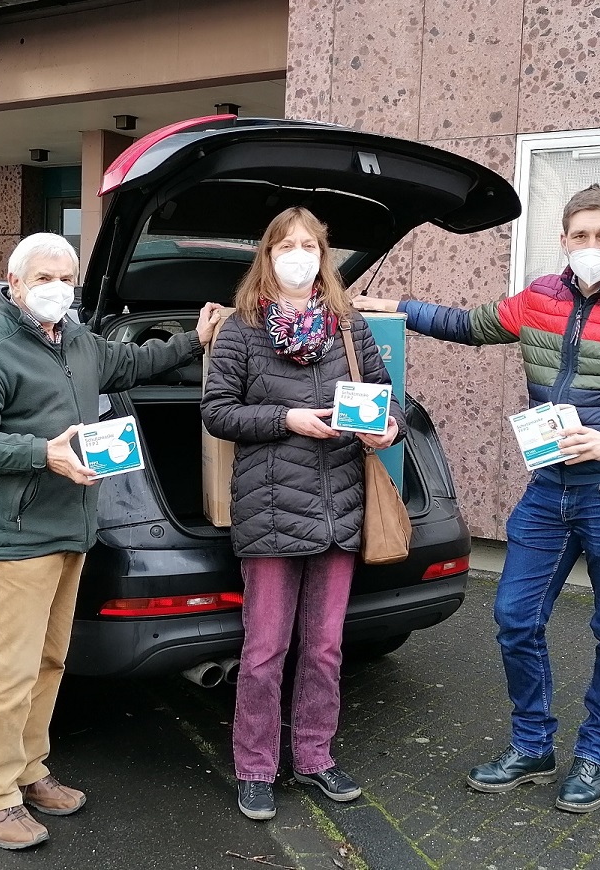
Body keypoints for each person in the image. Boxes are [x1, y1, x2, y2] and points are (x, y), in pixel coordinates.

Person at [354, 184, 600, 813]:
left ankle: (596, 754)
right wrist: (401, 308)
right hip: (549, 489)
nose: (593, 246)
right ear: (564, 241)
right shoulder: (540, 298)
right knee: (516, 618)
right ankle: (533, 745)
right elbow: (474, 325)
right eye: (581, 235)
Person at [0, 232, 220, 849]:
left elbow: (132, 364)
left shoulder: (79, 340)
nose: (57, 288)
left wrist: (191, 340)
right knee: (8, 673)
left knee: (50, 660)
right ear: (16, 285)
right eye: (44, 278)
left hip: (72, 529)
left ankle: (30, 771)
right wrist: (43, 454)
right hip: (18, 534)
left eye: (66, 278)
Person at [200, 206, 404, 821]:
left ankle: (315, 756)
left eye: (310, 246)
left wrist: (386, 430)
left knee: (324, 649)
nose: (299, 256)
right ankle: (256, 767)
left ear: (324, 256)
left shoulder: (348, 327)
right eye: (287, 246)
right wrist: (285, 419)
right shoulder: (241, 328)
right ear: (268, 255)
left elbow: (388, 398)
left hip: (338, 508)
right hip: (267, 510)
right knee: (264, 649)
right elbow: (217, 412)